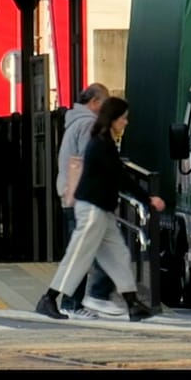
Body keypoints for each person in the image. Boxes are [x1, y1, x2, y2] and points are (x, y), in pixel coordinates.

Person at [36, 96, 163, 322]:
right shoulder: (101, 143)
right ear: (113, 119)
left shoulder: (103, 141)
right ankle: (49, 298)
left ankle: (132, 303)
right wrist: (147, 198)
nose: (126, 122)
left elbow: (118, 175)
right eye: (123, 118)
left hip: (100, 208)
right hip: (93, 208)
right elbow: (120, 176)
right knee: (79, 255)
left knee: (118, 255)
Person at [55, 83, 122, 318]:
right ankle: (82, 300)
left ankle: (78, 300)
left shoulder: (75, 122)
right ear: (95, 103)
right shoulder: (87, 125)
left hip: (72, 196)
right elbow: (88, 161)